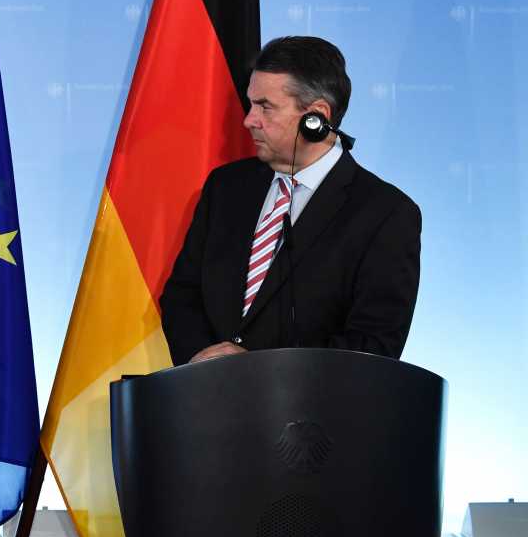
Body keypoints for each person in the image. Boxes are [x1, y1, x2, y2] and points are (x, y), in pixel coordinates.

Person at [160, 36, 421, 366]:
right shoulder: (225, 187)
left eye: (265, 107)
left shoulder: (386, 213)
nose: (249, 120)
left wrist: (261, 372)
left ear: (316, 118)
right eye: (251, 104)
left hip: (310, 413)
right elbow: (182, 294)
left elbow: (372, 343)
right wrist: (201, 360)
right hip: (207, 403)